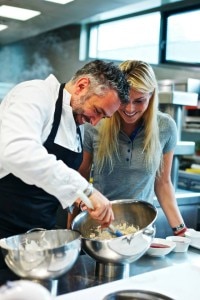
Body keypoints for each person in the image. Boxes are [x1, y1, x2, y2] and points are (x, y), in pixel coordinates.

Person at [0, 59, 130, 243]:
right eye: (97, 110)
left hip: (38, 232)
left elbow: (51, 175)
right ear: (82, 85)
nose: (94, 122)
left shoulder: (77, 120)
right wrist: (86, 190)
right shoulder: (35, 93)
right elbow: (17, 151)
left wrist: (80, 199)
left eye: (103, 117)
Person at [79, 60, 187, 237]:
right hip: (100, 228)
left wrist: (181, 230)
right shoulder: (96, 123)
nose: (130, 109)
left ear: (151, 96)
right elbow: (80, 177)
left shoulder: (166, 127)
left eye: (139, 101)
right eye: (124, 100)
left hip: (142, 230)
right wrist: (72, 231)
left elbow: (163, 183)